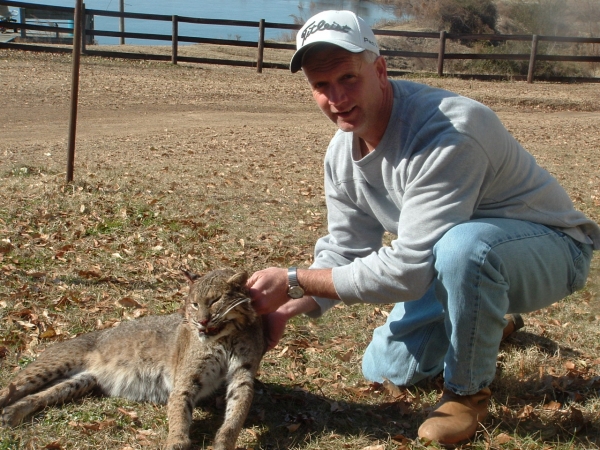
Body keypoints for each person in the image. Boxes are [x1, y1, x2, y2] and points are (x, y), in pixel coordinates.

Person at [247, 9, 599, 446]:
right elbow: (347, 248)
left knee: (465, 248)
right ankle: (490, 320)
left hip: (552, 248)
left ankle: (466, 393)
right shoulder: (341, 154)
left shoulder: (449, 130)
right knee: (386, 370)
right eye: (321, 85)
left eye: (348, 77)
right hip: (453, 260)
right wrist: (285, 309)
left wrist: (294, 280)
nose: (336, 97)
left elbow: (407, 273)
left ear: (380, 70)